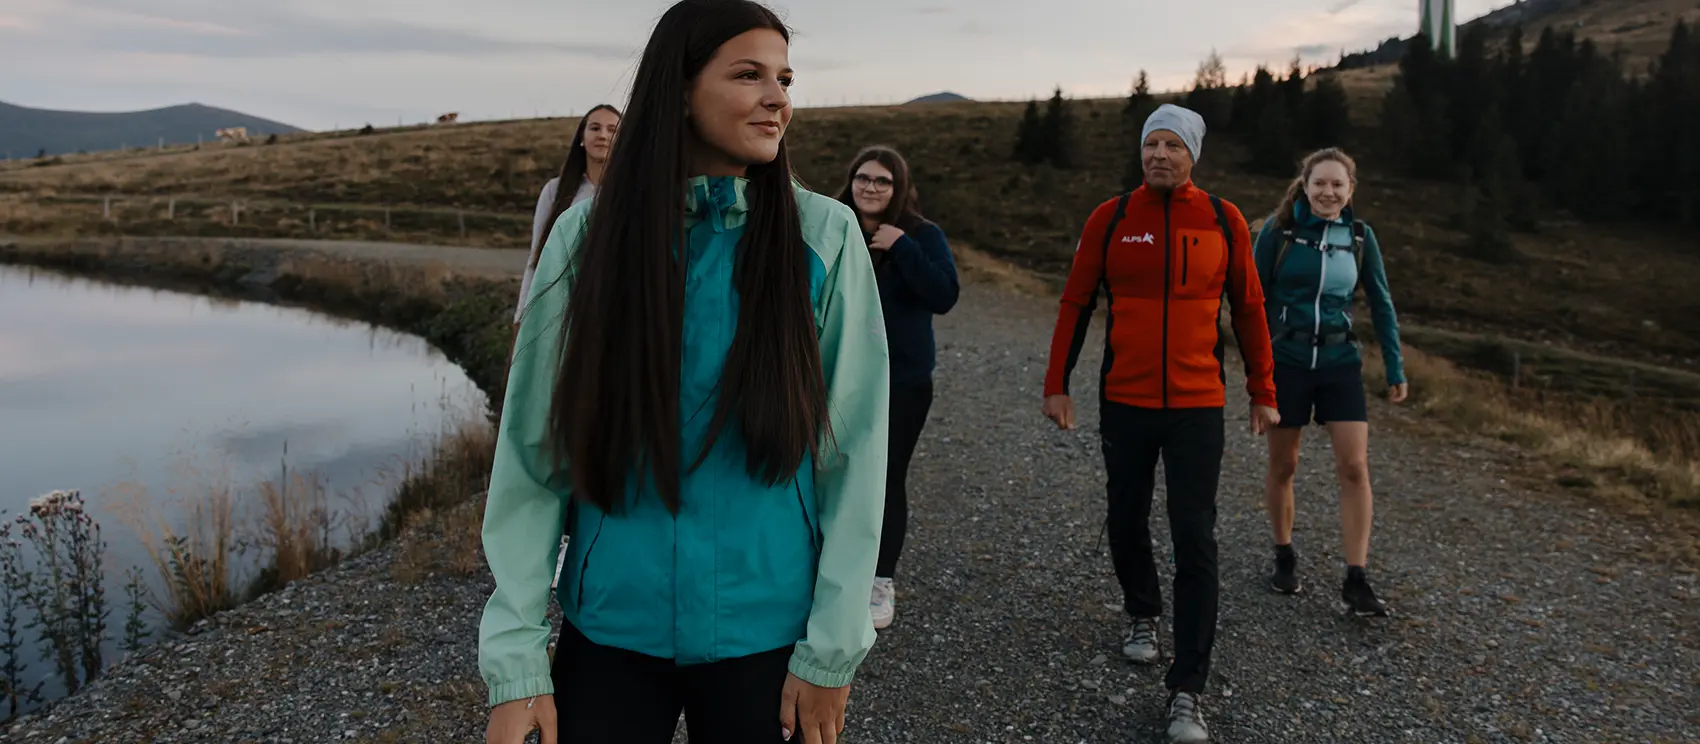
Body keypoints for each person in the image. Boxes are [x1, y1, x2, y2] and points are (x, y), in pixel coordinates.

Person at [478, 2, 891, 743]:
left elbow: (854, 457)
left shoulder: (824, 238)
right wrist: (515, 659)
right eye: (748, 74)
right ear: (678, 90)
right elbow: (533, 453)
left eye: (785, 78)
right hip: (610, 630)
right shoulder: (586, 239)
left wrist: (832, 653)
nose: (778, 98)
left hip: (767, 638)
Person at [1040, 103, 1278, 744]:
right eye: (1151, 145)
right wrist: (1056, 385)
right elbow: (1075, 302)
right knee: (1125, 515)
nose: (1160, 155)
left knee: (1195, 533)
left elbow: (1250, 308)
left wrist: (1263, 390)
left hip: (1198, 405)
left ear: (1192, 154)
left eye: (1173, 145)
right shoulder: (1112, 218)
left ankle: (1187, 689)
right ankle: (1143, 611)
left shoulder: (1224, 220)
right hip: (1127, 399)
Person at [1253, 147, 1406, 617]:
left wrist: (1395, 367)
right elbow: (1250, 303)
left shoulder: (1360, 237)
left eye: (1338, 184)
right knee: (1285, 465)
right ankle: (1284, 553)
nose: (1328, 191)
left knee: (1355, 468)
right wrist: (1258, 377)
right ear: (1305, 184)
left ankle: (1356, 578)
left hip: (1340, 361)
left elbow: (1381, 302)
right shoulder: (1277, 234)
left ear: (1350, 190)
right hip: (1287, 361)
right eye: (1320, 182)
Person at [833, 145, 959, 630]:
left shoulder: (923, 235)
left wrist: (902, 246)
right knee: (835, 473)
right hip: (839, 374)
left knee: (886, 480)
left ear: (899, 186)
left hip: (902, 381)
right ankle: (833, 572)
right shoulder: (834, 225)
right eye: (863, 178)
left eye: (882, 181)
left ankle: (880, 580)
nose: (870, 187)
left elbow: (944, 295)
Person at [513, 104, 622, 341]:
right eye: (595, 128)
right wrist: (521, 318)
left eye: (612, 130)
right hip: (560, 309)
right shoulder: (556, 191)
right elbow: (537, 259)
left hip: (615, 311)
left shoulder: (630, 192)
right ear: (582, 138)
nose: (603, 135)